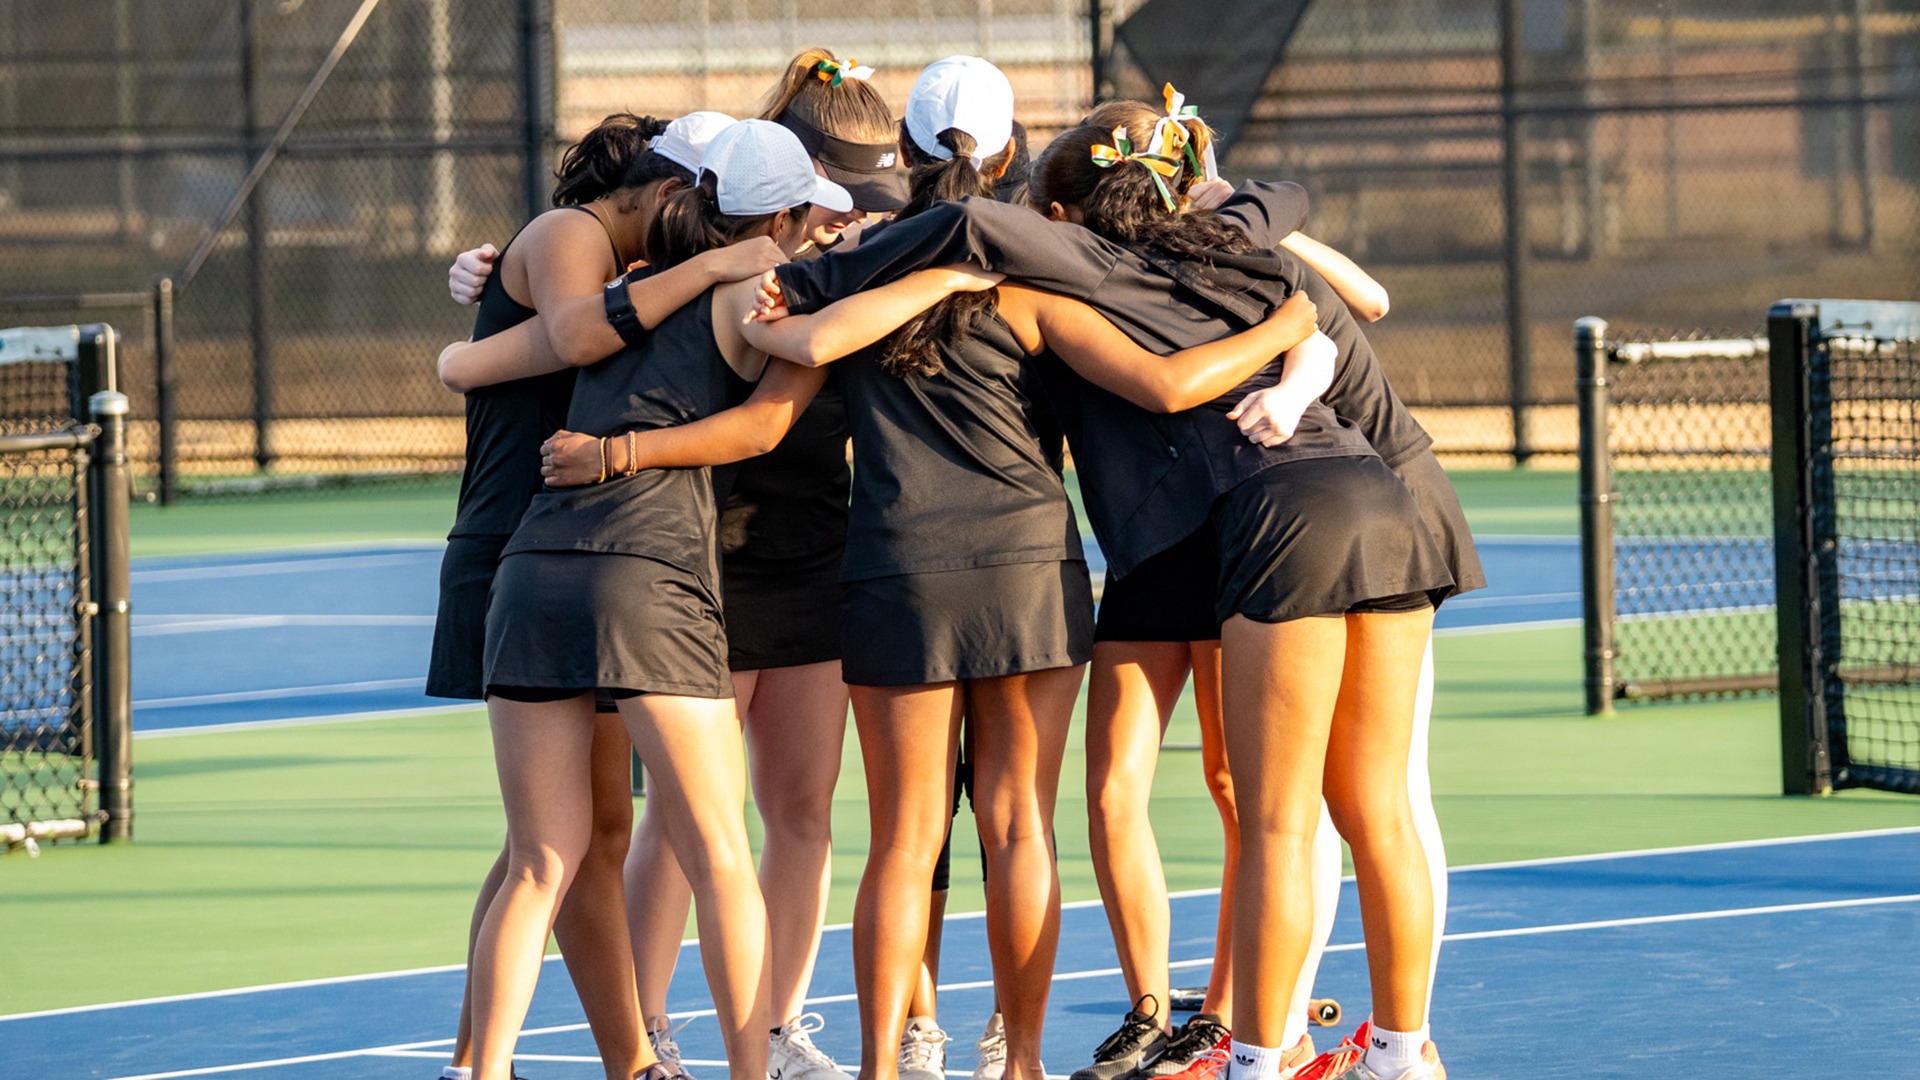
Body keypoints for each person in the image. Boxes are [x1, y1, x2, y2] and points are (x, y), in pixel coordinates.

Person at [544, 64, 1329, 1080]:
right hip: (1029, 577)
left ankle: (882, 1065)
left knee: (902, 842)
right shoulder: (1041, 282)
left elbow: (779, 371)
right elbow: (1167, 381)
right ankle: (1021, 1062)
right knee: (1021, 828)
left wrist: (566, 327)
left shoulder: (855, 274)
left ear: (906, 155)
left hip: (899, 575)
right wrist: (1289, 330)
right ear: (1008, 163)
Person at [765, 97, 1472, 1080]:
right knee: (1379, 809)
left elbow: (970, 227)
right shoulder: (1236, 238)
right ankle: (1402, 1050)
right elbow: (1294, 207)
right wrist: (1274, 296)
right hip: (1382, 497)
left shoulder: (1089, 268)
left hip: (1275, 520)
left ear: (1063, 216)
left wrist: (810, 277)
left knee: (1275, 823)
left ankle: (1255, 1058)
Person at [443, 52, 894, 1080]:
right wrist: (937, 273)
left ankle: (478, 1069)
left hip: (533, 573)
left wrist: (477, 298)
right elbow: (782, 399)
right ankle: (751, 1067)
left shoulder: (615, 300)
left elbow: (473, 361)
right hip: (650, 578)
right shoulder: (759, 301)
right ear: (780, 220)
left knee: (539, 860)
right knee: (720, 853)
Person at [425, 110, 776, 1080]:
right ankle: (541, 1062)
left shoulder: (629, 275)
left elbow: (500, 354)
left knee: (571, 842)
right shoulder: (576, 234)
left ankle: (593, 1062)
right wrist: (711, 269)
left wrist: (463, 350)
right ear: (667, 194)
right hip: (525, 542)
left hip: (560, 547)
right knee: (552, 848)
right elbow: (574, 336)